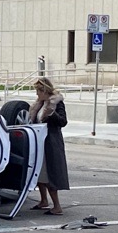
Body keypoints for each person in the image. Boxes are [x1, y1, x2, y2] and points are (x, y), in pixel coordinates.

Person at [28, 76, 69, 215]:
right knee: (39, 172)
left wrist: (52, 114)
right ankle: (43, 200)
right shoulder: (39, 104)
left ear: (44, 91)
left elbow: (63, 121)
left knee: (50, 173)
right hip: (40, 142)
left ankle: (57, 206)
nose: (37, 94)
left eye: (38, 91)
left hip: (51, 141)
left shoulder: (56, 103)